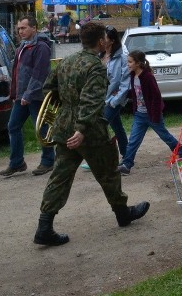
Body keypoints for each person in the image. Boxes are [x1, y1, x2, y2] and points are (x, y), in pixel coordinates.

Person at [33, 21, 149, 246]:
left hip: (64, 129)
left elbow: (48, 89)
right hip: (89, 131)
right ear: (101, 41)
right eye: (105, 38)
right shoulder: (95, 66)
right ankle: (122, 213)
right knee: (109, 172)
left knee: (60, 176)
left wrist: (67, 108)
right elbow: (91, 100)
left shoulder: (66, 62)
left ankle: (44, 226)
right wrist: (82, 129)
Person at [0, 15, 54, 177]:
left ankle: (48, 161)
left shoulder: (41, 47)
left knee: (41, 128)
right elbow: (18, 72)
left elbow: (39, 74)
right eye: (19, 28)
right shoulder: (22, 46)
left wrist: (28, 94)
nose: (20, 31)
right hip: (21, 96)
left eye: (23, 28)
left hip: (36, 96)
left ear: (34, 28)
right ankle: (17, 163)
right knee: (13, 126)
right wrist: (15, 91)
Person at [117, 50, 182, 175]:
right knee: (133, 139)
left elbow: (156, 97)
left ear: (138, 63)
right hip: (139, 114)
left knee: (164, 135)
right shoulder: (134, 76)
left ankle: (181, 150)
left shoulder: (148, 77)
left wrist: (155, 116)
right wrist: (120, 94)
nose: (127, 64)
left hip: (152, 115)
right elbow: (135, 93)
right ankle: (127, 165)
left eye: (130, 62)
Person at [81, 26, 130, 172]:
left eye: (105, 38)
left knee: (99, 128)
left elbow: (125, 83)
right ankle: (127, 156)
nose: (102, 40)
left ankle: (97, 159)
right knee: (117, 127)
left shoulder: (122, 58)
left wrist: (114, 102)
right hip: (101, 99)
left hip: (113, 101)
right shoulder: (99, 56)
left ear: (112, 41)